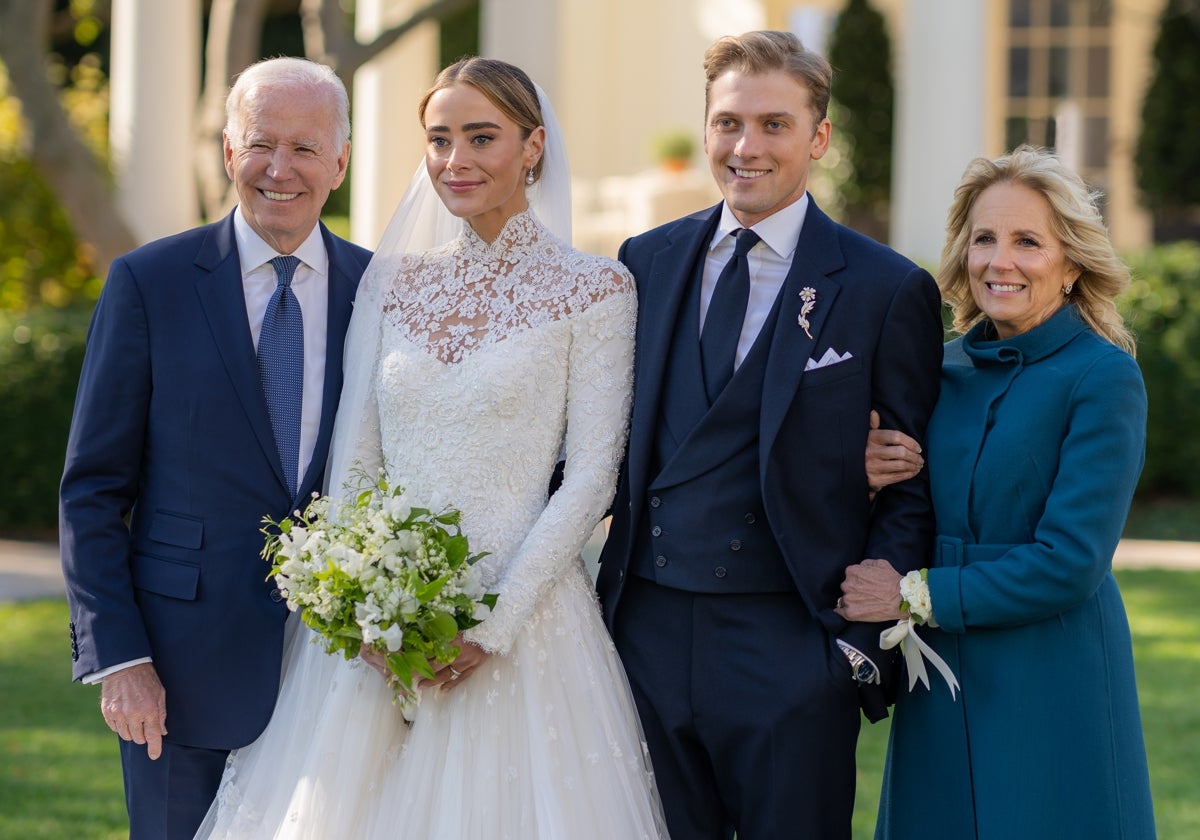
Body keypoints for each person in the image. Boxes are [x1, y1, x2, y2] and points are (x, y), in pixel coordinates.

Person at [194, 57, 669, 839]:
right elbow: (354, 463)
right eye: (440, 138)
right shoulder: (391, 283)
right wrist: (360, 614)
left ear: (533, 146)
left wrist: (491, 625)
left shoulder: (597, 289)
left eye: (482, 137)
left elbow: (590, 477)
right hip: (376, 638)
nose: (456, 161)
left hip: (522, 631)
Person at [594, 30, 945, 840]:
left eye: (774, 124)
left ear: (817, 137)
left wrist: (853, 651)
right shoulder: (644, 261)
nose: (745, 146)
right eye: (728, 122)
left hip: (791, 642)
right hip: (642, 636)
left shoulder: (887, 289)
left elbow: (914, 489)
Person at [57, 57, 370, 839]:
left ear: (341, 159)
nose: (279, 169)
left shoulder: (384, 292)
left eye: (304, 148)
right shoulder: (149, 282)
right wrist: (120, 660)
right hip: (178, 673)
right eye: (260, 144)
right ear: (229, 154)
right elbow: (92, 490)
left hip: (343, 681)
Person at [843, 145, 1157, 839]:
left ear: (1071, 262)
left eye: (1027, 242)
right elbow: (908, 505)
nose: (999, 261)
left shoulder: (1103, 379)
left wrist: (913, 594)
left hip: (1051, 674)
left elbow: (1070, 561)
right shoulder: (938, 369)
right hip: (940, 679)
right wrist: (865, 475)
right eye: (984, 238)